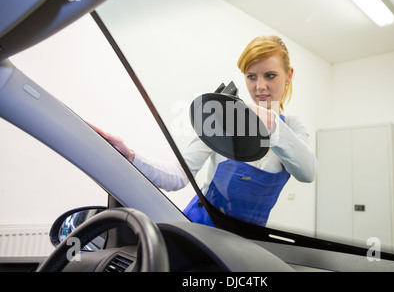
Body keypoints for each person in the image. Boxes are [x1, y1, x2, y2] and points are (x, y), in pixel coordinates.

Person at [93, 35, 316, 227]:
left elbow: (307, 173)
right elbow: (178, 176)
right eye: (251, 76)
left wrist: (273, 125)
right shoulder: (224, 117)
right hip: (199, 228)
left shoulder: (293, 128)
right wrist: (131, 157)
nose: (259, 87)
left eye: (270, 75)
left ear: (288, 75)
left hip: (249, 240)